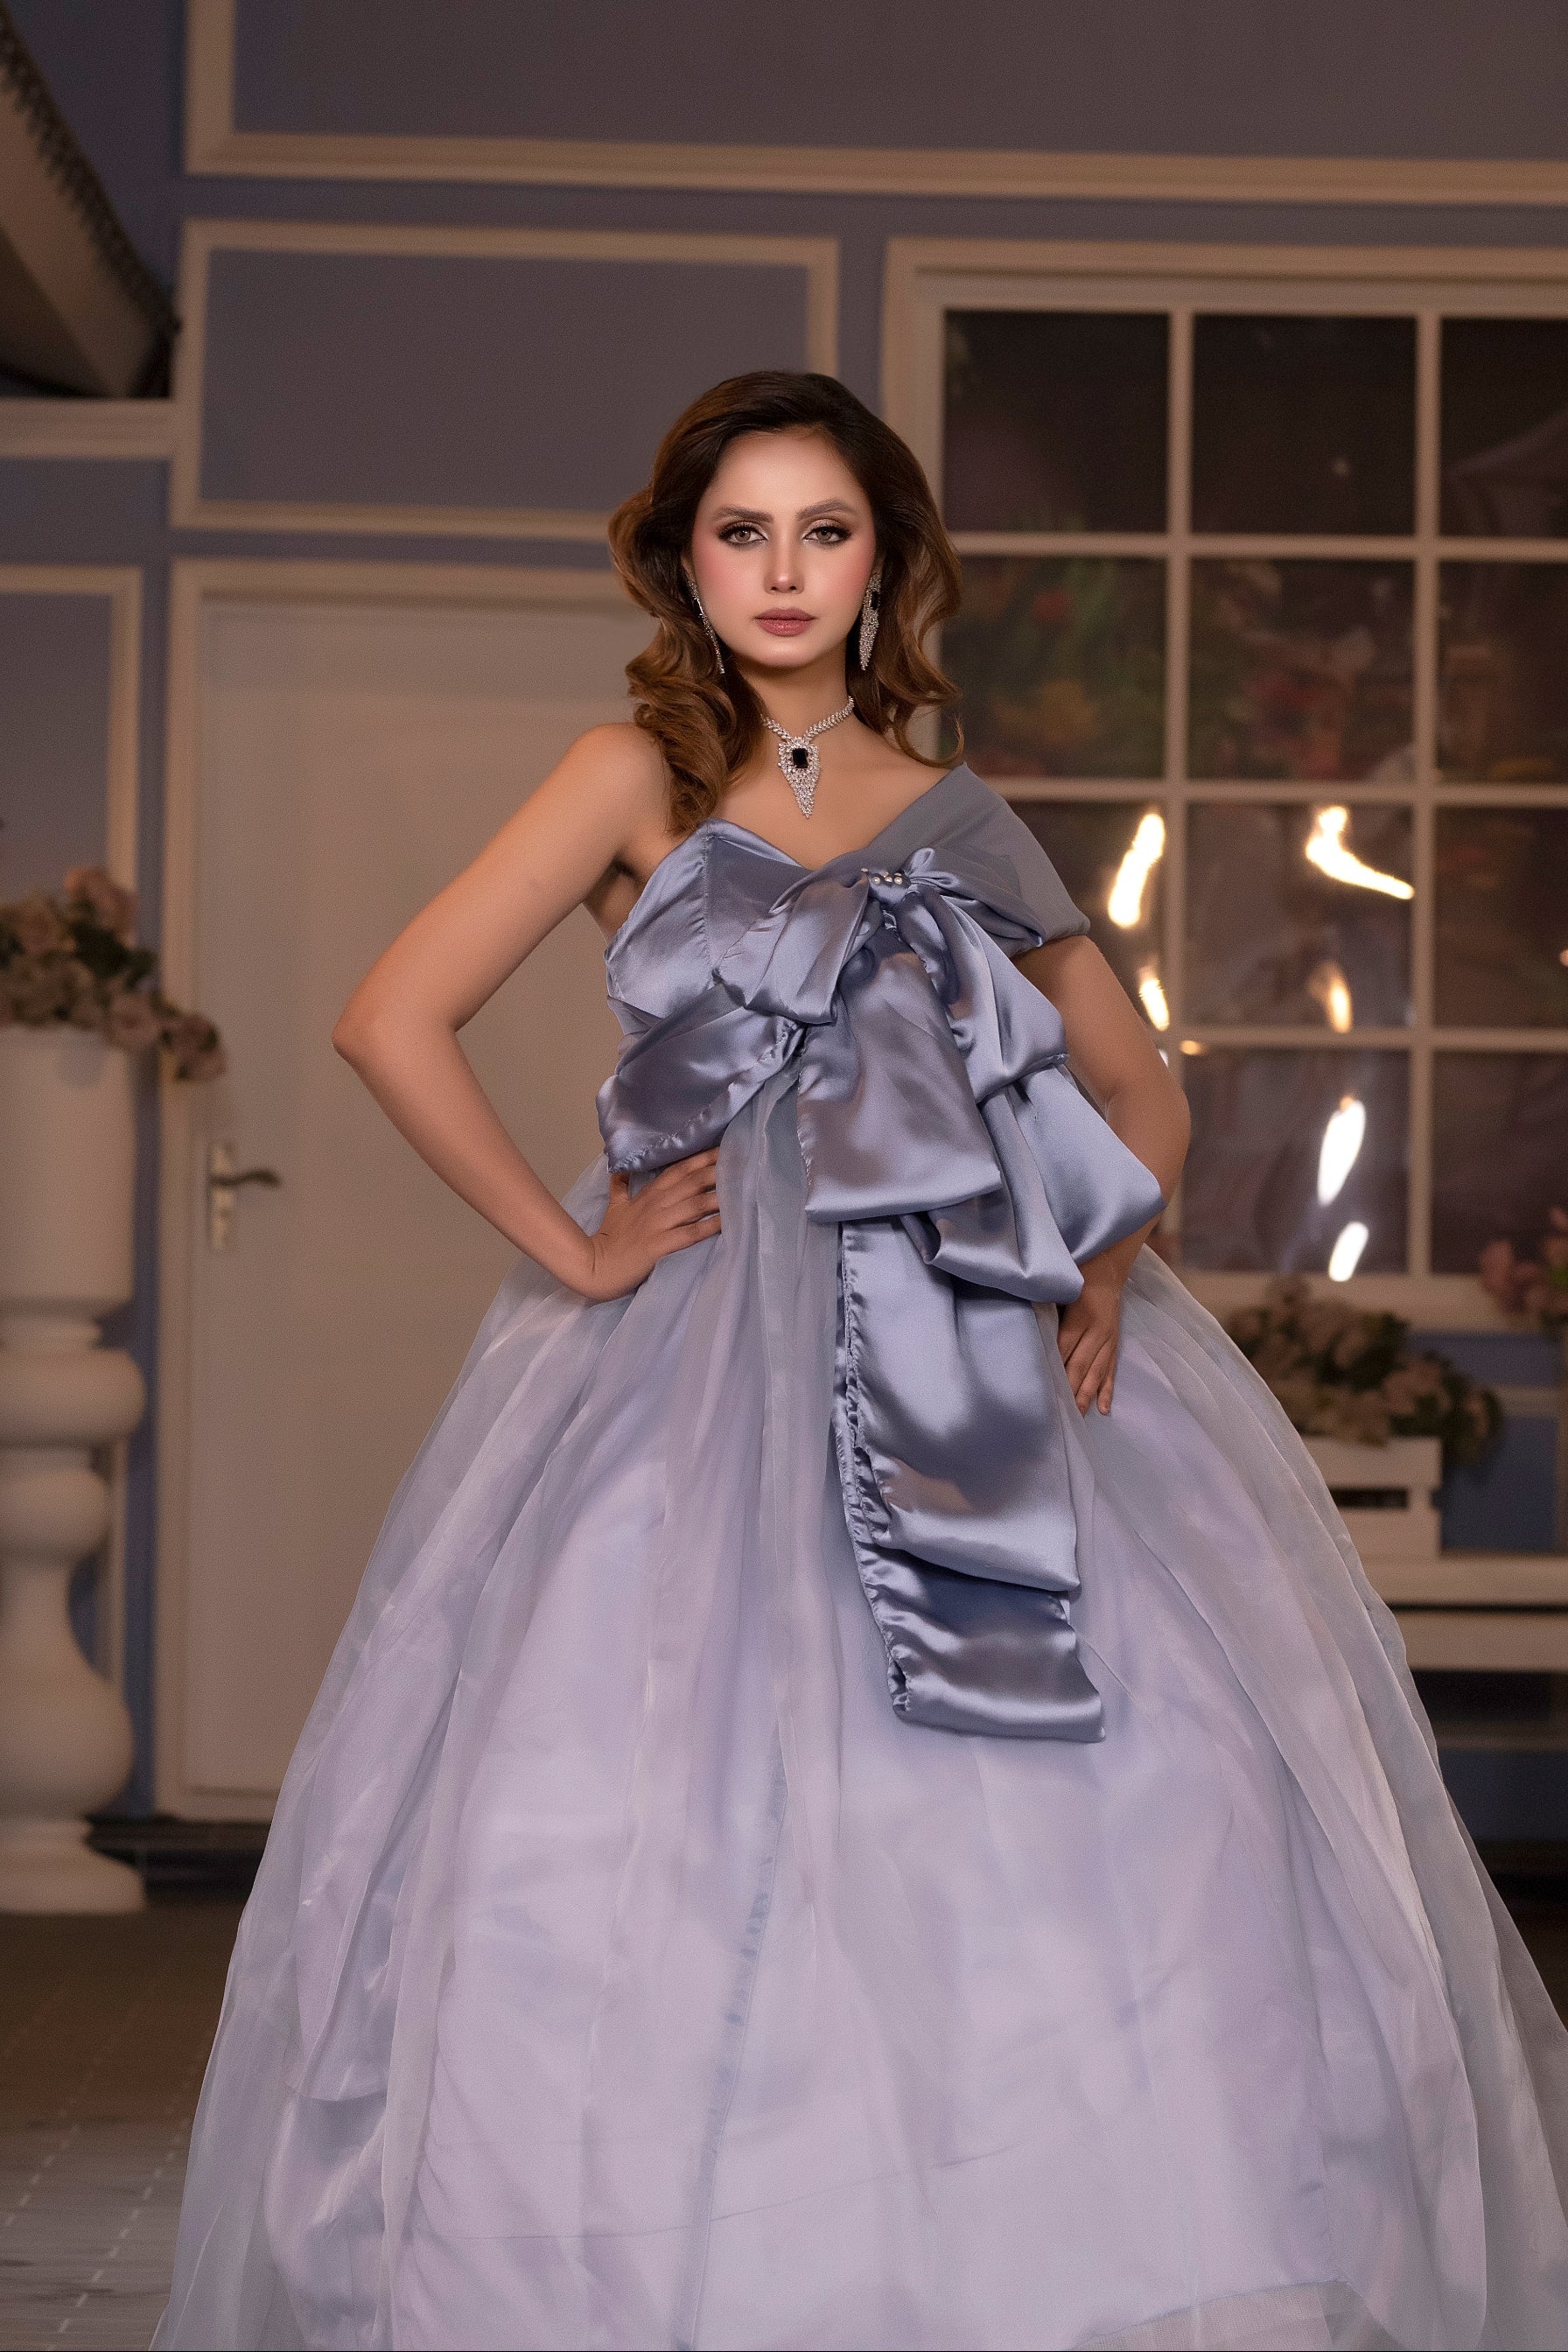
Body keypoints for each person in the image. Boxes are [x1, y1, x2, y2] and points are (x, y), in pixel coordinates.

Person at [154, 371, 1568, 2352]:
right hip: (690, 1355)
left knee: (1095, 1797)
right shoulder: (624, 776)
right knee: (640, 1777)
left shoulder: (965, 812)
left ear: (885, 562)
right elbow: (394, 1016)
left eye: (826, 531)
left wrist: (1096, 1263)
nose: (784, 570)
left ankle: (1026, 2245)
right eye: (743, 531)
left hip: (975, 1330)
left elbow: (1139, 1088)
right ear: (684, 558)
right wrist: (572, 1243)